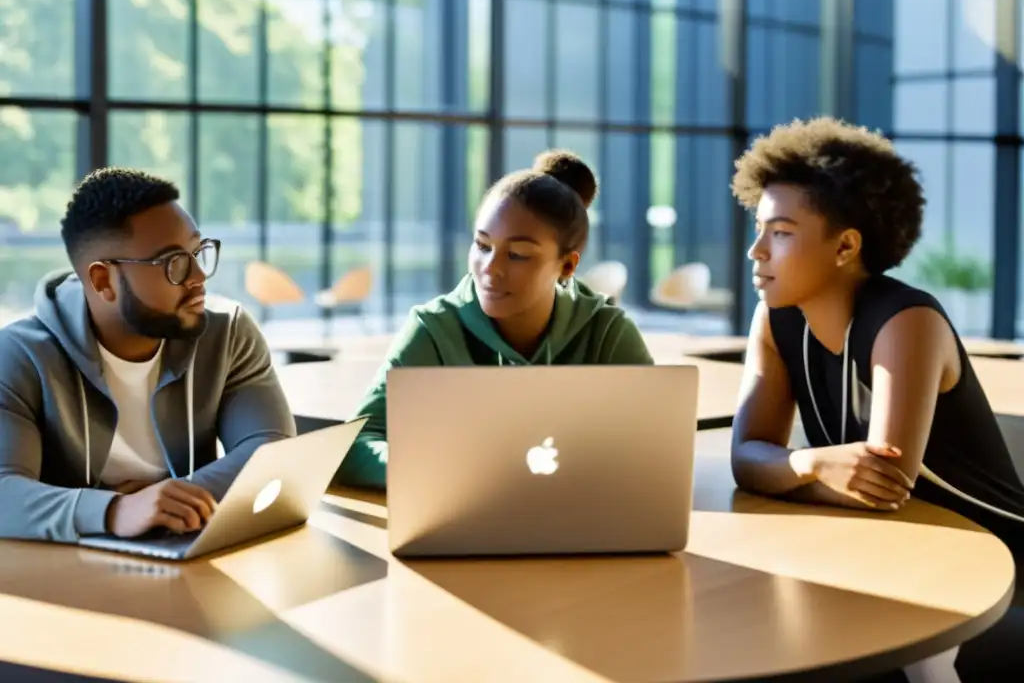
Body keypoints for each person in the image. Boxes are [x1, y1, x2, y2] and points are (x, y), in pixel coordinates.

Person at [729, 117, 1024, 680]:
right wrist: (811, 462)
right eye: (760, 228)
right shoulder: (776, 318)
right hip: (894, 561)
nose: (756, 252)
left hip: (997, 571)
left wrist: (780, 468)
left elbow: (881, 490)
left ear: (845, 245)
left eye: (781, 232)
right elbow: (747, 457)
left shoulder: (906, 321)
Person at [0, 167, 296, 544]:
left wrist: (166, 499)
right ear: (103, 281)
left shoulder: (227, 332)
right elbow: (4, 491)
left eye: (198, 251)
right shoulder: (18, 355)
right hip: (64, 569)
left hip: (184, 552)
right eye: (173, 262)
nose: (198, 278)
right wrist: (114, 510)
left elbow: (272, 450)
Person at [335, 150, 654, 490]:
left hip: (591, 529)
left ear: (567, 266)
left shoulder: (608, 333)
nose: (490, 269)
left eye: (517, 254)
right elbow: (356, 444)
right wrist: (430, 471)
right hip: (461, 526)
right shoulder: (433, 329)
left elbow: (657, 446)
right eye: (483, 245)